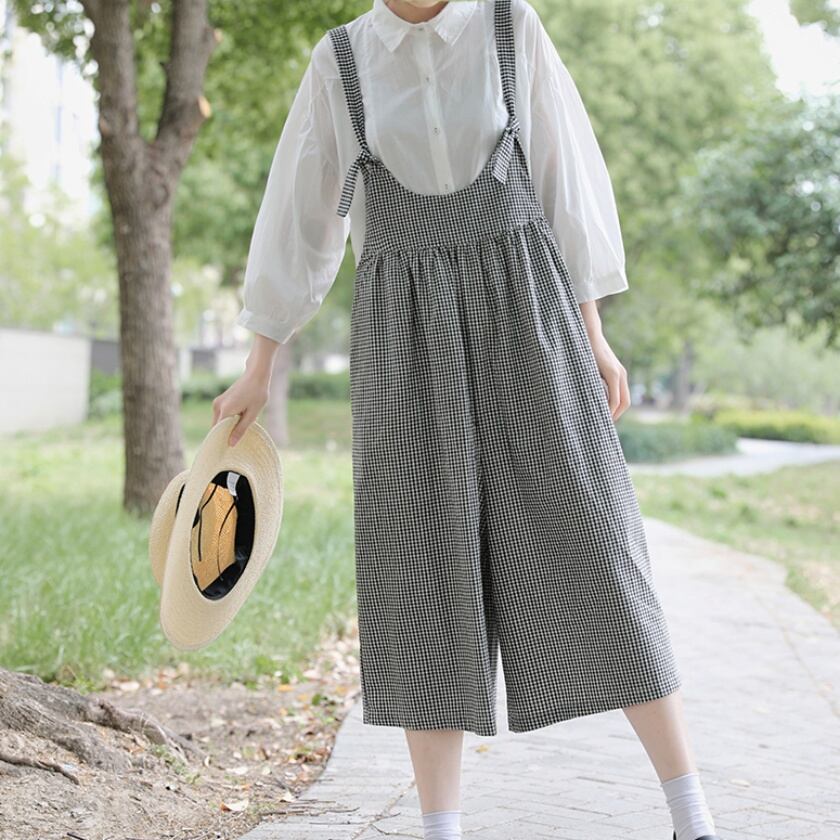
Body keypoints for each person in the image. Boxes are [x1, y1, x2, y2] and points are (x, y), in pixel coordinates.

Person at [212, 2, 722, 839]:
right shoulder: (341, 61)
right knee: (420, 573)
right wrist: (259, 365)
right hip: (404, 341)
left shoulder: (510, 27)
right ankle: (441, 830)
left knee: (599, 551)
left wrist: (595, 336)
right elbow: (299, 217)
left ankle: (693, 819)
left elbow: (564, 177)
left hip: (529, 320)